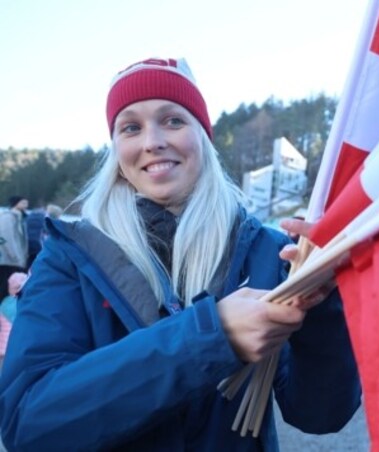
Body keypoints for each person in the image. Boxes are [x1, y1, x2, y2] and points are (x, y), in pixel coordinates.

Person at [0, 58, 360, 451]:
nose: (152, 141)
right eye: (131, 127)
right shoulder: (69, 256)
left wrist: (323, 308)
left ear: (202, 136)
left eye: (173, 120)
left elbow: (321, 415)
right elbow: (29, 425)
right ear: (117, 151)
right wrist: (209, 337)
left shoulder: (269, 250)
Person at [0, 196, 28, 297]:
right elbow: (6, 238)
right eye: (23, 203)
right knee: (4, 288)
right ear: (16, 203)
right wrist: (15, 255)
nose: (26, 206)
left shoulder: (20, 218)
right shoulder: (8, 217)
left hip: (15, 261)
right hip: (7, 261)